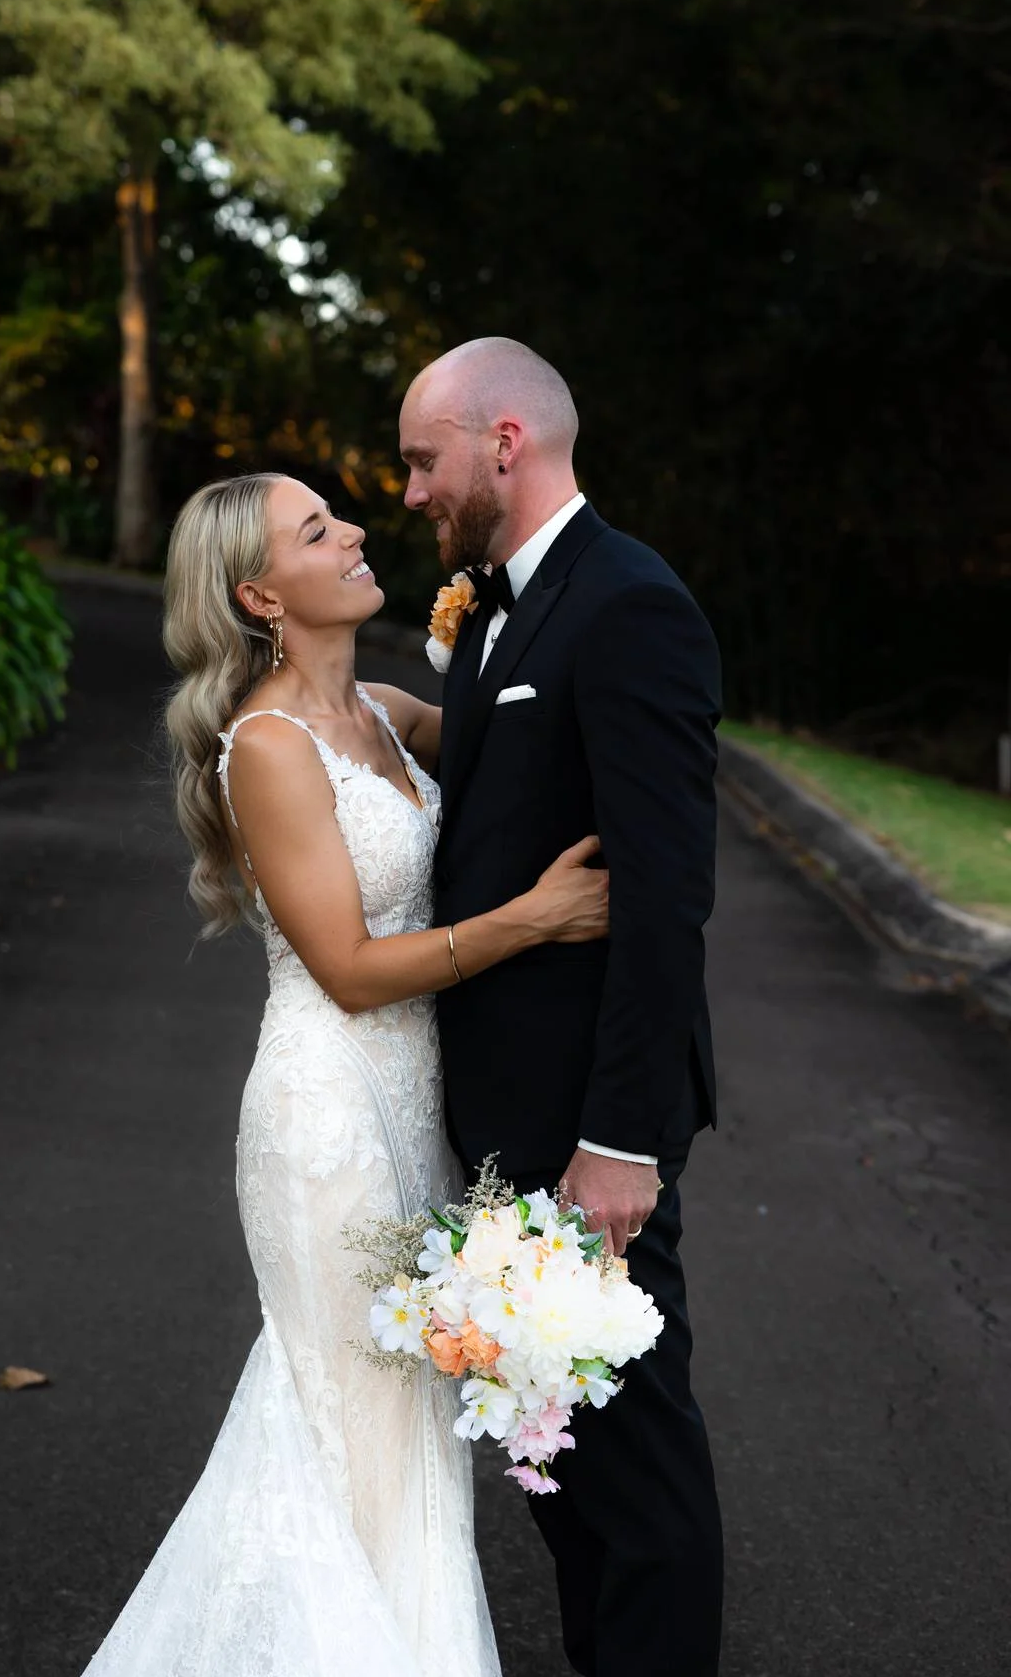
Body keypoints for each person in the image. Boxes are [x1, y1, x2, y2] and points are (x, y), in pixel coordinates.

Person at [79, 470, 609, 1676]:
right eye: (318, 530)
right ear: (262, 592)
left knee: (404, 1431)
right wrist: (535, 919)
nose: (359, 529)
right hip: (325, 1124)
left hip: (415, 1109)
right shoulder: (266, 746)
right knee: (354, 1424)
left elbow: (515, 743)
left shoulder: (379, 706)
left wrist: (505, 629)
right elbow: (353, 968)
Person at [400, 337, 724, 1677]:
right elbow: (510, 779)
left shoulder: (629, 604)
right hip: (500, 1121)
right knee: (567, 1479)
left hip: (582, 1137)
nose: (411, 489)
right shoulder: (499, 603)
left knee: (637, 1486)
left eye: (425, 458)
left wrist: (625, 1139)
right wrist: (399, 723)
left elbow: (663, 896)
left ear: (506, 441)